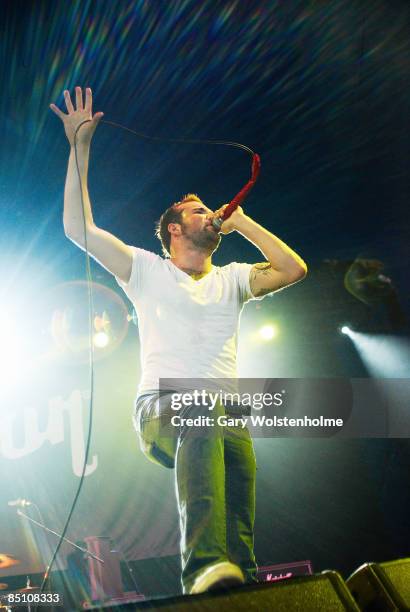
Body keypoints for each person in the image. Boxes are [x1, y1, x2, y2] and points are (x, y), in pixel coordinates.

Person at [50, 87, 307, 595]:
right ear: (172, 229)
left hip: (222, 413)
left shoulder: (232, 277)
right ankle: (201, 567)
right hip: (161, 407)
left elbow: (292, 268)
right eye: (198, 211)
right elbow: (78, 228)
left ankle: (242, 584)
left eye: (212, 211)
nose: (210, 214)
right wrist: (79, 146)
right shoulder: (145, 269)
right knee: (203, 408)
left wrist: (244, 223)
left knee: (238, 488)